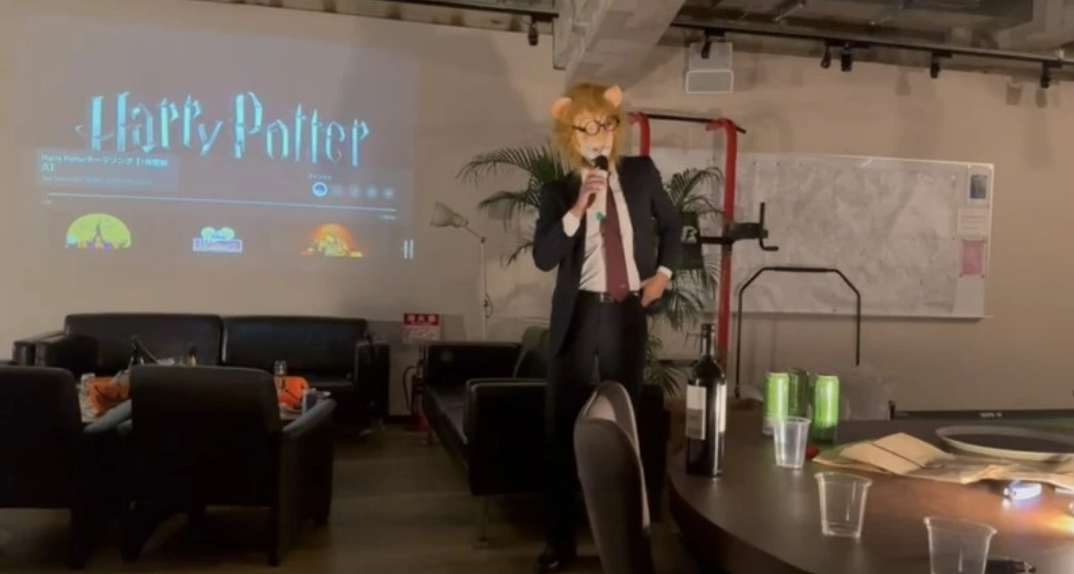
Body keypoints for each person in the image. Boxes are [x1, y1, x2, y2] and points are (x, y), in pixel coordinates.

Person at [531, 82, 683, 573]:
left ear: (616, 127)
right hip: (577, 316)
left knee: (625, 428)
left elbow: (673, 226)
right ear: (570, 136)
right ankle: (559, 543)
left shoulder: (641, 174)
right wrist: (578, 208)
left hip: (625, 312)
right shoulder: (557, 192)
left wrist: (663, 274)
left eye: (604, 125)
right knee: (561, 431)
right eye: (585, 128)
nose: (596, 136)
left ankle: (630, 542)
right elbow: (543, 257)